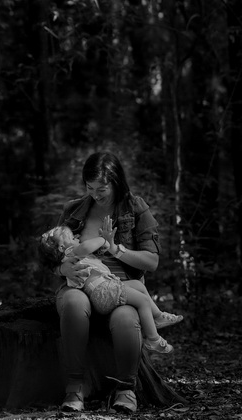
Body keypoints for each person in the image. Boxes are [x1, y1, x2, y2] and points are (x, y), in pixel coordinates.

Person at [53, 151, 180, 413]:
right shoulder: (73, 210)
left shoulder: (136, 208)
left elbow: (151, 261)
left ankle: (126, 390)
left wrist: (115, 250)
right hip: (79, 284)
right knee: (75, 303)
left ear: (116, 181)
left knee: (125, 317)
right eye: (90, 188)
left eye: (102, 188)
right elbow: (51, 253)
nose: (95, 194)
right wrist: (62, 266)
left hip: (120, 287)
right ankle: (75, 387)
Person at [39, 222, 180, 354]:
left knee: (137, 285)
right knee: (142, 300)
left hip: (107, 287)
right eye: (71, 237)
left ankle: (158, 316)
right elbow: (86, 247)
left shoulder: (74, 256)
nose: (77, 237)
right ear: (62, 248)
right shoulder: (72, 252)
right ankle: (153, 339)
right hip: (104, 292)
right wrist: (103, 239)